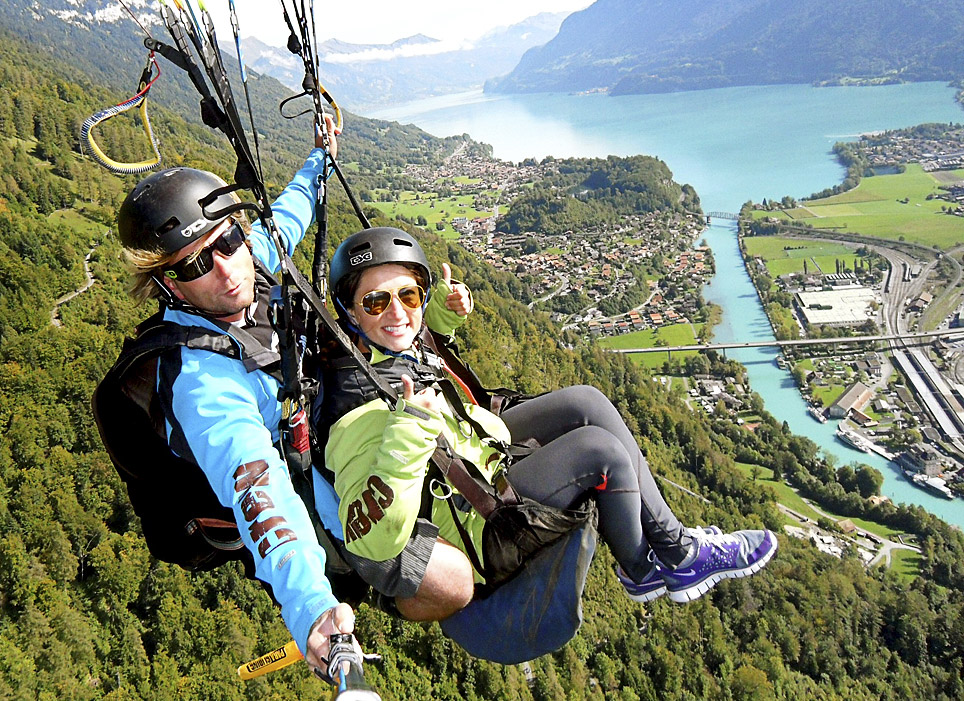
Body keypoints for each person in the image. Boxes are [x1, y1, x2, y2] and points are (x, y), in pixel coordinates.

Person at [315, 227, 778, 621]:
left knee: (586, 403)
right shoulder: (355, 408)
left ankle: (671, 546)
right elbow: (369, 539)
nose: (397, 312)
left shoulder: (382, 349)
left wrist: (441, 316)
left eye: (409, 295)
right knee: (602, 451)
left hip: (477, 449)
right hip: (480, 519)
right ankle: (662, 563)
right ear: (351, 312)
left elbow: (413, 339)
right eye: (375, 302)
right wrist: (405, 439)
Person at [117, 118, 355, 675]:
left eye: (227, 241)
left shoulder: (250, 263)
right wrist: (313, 610)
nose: (225, 270)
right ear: (169, 286)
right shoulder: (200, 380)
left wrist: (321, 158)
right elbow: (256, 483)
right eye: (196, 264)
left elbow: (291, 214)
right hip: (298, 483)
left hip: (310, 433)